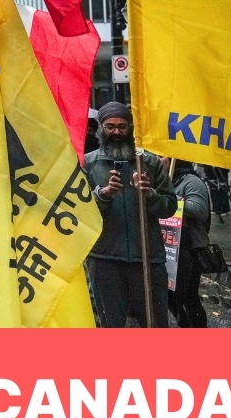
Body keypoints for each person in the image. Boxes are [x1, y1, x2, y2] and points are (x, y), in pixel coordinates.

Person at [83, 102, 178, 328]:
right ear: (101, 129)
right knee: (111, 324)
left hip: (147, 257)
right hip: (104, 258)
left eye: (122, 126)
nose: (116, 132)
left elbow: (170, 207)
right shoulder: (87, 163)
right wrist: (104, 195)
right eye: (110, 127)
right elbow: (78, 211)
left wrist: (150, 195)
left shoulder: (149, 162)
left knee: (154, 322)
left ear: (130, 128)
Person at [162, 158, 210, 328]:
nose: (157, 161)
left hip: (189, 250)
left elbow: (199, 210)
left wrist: (170, 198)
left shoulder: (191, 181)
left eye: (162, 157)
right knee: (170, 297)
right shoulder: (165, 179)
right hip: (171, 248)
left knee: (188, 298)